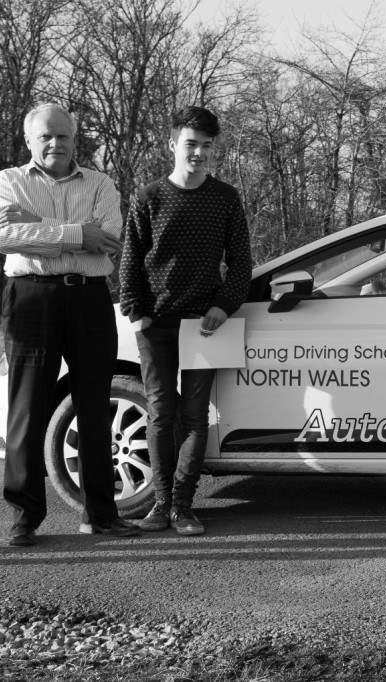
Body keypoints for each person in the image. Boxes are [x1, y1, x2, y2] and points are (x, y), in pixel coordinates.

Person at [0, 103, 139, 546]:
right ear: (29, 140)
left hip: (90, 299)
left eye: (63, 136)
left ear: (76, 139)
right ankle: (25, 515)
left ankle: (101, 514)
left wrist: (40, 228)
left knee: (95, 407)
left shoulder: (100, 182)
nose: (56, 144)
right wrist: (76, 234)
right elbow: (5, 236)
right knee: (27, 409)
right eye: (46, 137)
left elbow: (109, 238)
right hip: (31, 298)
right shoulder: (7, 181)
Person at [120, 106, 252, 536]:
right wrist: (136, 312)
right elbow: (130, 263)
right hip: (155, 323)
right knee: (161, 414)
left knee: (196, 417)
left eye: (206, 146)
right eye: (190, 144)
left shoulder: (226, 198)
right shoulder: (148, 197)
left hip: (205, 324)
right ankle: (159, 504)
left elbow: (242, 264)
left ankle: (182, 505)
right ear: (172, 144)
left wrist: (224, 305)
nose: (198, 153)